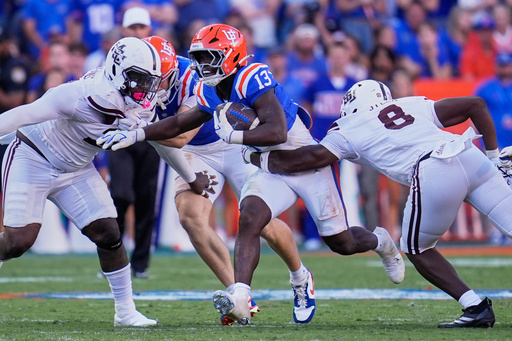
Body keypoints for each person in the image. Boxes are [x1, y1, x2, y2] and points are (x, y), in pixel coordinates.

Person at [97, 24, 405, 325]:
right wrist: (138, 135)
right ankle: (243, 296)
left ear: (230, 56)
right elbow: (180, 125)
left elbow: (277, 130)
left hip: (301, 157)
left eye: (209, 58)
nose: (202, 65)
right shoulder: (211, 87)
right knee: (250, 217)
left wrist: (234, 137)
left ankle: (380, 241)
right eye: (199, 58)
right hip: (267, 162)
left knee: (341, 242)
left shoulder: (251, 76)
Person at [245, 79, 512, 328]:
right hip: (469, 155)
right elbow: (475, 105)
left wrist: (257, 158)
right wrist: (493, 158)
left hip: (435, 169)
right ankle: (475, 308)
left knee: (418, 249)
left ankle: (475, 307)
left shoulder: (347, 127)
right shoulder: (407, 104)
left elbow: (307, 160)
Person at [0, 36, 211, 327]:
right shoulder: (77, 95)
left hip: (76, 169)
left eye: (151, 81)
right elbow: (22, 115)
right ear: (116, 72)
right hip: (33, 157)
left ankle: (125, 312)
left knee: (109, 233)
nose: (146, 89)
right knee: (17, 242)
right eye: (138, 79)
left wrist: (191, 178)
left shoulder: (141, 104)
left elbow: (161, 142)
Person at [146, 34, 315, 325]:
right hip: (194, 153)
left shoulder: (195, 75)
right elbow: (161, 142)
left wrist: (135, 130)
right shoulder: (132, 84)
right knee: (190, 217)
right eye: (145, 78)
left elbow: (177, 134)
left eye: (156, 78)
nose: (149, 86)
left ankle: (300, 275)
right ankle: (239, 300)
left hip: (231, 143)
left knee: (262, 222)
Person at [107, 7, 160, 278]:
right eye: (133, 27)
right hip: (119, 132)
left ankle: (140, 265)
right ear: (125, 30)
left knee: (146, 199)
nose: (138, 32)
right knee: (121, 195)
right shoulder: (113, 57)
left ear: (149, 29)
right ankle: (112, 257)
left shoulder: (160, 58)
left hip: (150, 134)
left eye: (142, 27)